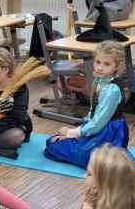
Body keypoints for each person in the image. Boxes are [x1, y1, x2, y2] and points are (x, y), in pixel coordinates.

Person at [44, 41, 129, 169]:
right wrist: (81, 128)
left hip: (110, 133)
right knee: (52, 141)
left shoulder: (111, 90)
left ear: (116, 66)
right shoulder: (99, 80)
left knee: (55, 148)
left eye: (107, 64)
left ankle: (109, 161)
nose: (100, 67)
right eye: (98, 62)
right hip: (99, 128)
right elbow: (93, 112)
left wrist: (71, 132)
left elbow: (98, 123)